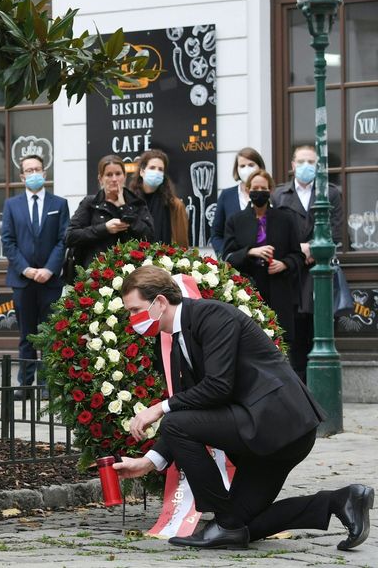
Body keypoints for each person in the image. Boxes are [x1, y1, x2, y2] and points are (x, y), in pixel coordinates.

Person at [114, 266, 373, 551]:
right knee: (238, 527)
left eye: (134, 309)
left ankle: (222, 520)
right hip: (265, 434)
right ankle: (342, 500)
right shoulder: (176, 339)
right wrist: (147, 463)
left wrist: (159, 408)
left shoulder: (212, 316)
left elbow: (217, 387)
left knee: (174, 422)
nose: (131, 319)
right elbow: (192, 402)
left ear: (160, 302)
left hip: (280, 424)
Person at [271, 144, 345, 383]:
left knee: (320, 332)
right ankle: (300, 392)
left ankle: (322, 387)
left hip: (318, 275)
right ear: (292, 166)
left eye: (311, 162)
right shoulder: (279, 196)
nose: (305, 167)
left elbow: (336, 232)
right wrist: (298, 252)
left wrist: (311, 248)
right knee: (295, 338)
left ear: (318, 166)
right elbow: (277, 235)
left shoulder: (330, 193)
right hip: (290, 275)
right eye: (301, 162)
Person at [0, 154, 69, 400]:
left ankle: (47, 385)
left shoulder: (59, 204)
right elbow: (7, 241)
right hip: (22, 280)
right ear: (22, 176)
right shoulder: (11, 205)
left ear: (45, 173)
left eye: (37, 169)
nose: (33, 173)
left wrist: (49, 269)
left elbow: (63, 240)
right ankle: (25, 384)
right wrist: (26, 269)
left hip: (50, 281)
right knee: (27, 335)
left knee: (49, 335)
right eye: (29, 170)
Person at [222, 170, 304, 348]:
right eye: (255, 188)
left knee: (281, 344)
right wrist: (250, 251)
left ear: (271, 190)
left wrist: (284, 264)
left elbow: (298, 255)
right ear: (248, 190)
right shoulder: (236, 220)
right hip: (248, 290)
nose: (259, 191)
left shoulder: (285, 219)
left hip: (279, 290)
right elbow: (227, 257)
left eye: (263, 188)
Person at [65, 154, 154, 269]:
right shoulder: (90, 203)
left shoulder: (136, 203)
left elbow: (149, 236)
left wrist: (124, 207)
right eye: (109, 175)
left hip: (131, 271)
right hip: (97, 273)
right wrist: (104, 228)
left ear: (125, 176)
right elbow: (70, 236)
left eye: (118, 174)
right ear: (100, 178)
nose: (114, 179)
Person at [127, 148, 189, 247]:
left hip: (167, 260)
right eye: (152, 168)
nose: (156, 172)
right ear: (142, 172)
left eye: (160, 169)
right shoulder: (129, 203)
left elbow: (182, 243)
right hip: (135, 259)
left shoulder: (175, 205)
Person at [210, 147, 267, 255]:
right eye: (242, 166)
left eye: (251, 165)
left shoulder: (268, 194)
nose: (247, 169)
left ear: (260, 167)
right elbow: (216, 234)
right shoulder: (227, 196)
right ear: (237, 169)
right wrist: (225, 255)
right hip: (233, 265)